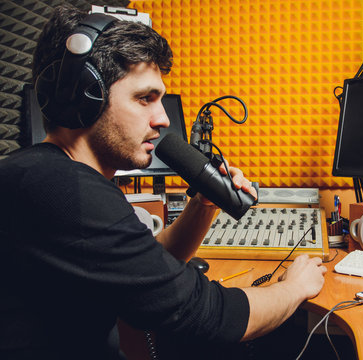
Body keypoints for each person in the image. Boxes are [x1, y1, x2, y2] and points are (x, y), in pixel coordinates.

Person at [0, 4, 326, 360]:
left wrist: (203, 203)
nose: (161, 119)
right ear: (83, 96)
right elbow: (213, 317)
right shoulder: (66, 191)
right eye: (145, 99)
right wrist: (295, 288)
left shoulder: (48, 176)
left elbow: (150, 267)